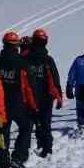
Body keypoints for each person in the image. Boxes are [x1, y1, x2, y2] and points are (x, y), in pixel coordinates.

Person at [0, 31, 39, 168]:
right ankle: (18, 157)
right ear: (16, 46)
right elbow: (30, 88)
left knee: (2, 134)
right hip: (19, 105)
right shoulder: (23, 64)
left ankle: (3, 165)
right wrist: (34, 107)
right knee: (26, 128)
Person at [21, 29, 64, 158]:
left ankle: (24, 154)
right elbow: (55, 78)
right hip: (46, 97)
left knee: (27, 127)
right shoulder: (48, 59)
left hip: (28, 97)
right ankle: (47, 148)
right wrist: (59, 97)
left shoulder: (24, 58)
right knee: (45, 124)